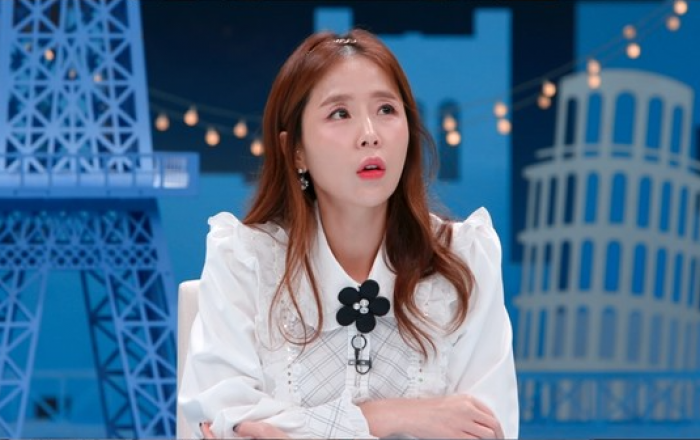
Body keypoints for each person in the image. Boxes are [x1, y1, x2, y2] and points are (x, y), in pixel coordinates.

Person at [179, 28, 519, 439]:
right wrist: (388, 417)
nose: (370, 133)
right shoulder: (244, 261)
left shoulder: (464, 259)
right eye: (340, 113)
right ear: (295, 150)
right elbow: (224, 422)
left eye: (386, 109)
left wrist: (292, 429)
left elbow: (488, 429)